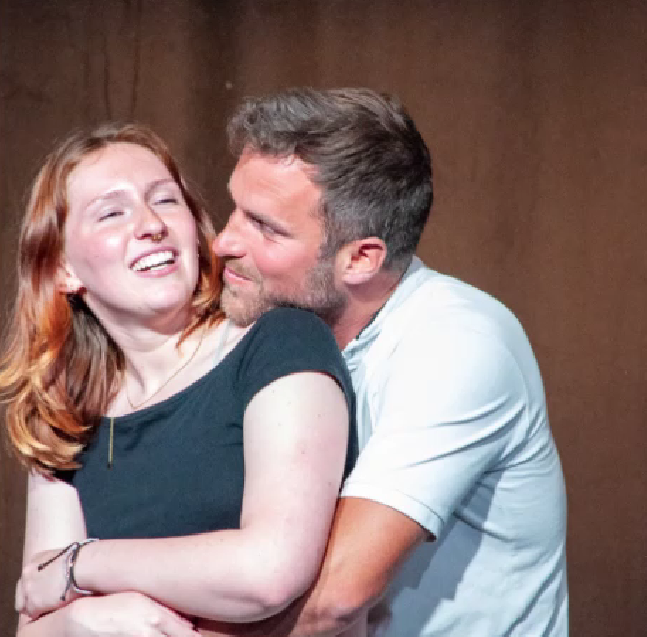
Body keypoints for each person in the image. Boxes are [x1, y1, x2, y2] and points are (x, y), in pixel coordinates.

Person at [207, 87, 569, 636]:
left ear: (361, 259)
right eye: (234, 209)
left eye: (265, 227)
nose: (222, 243)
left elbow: (335, 597)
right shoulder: (253, 324)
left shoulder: (457, 341)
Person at [1, 123, 357, 636]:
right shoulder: (66, 416)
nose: (151, 225)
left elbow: (268, 573)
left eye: (165, 200)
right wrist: (84, 617)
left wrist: (80, 565)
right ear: (62, 269)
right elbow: (35, 616)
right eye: (112, 212)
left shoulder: (279, 343)